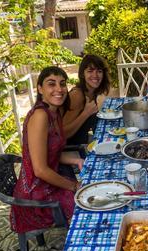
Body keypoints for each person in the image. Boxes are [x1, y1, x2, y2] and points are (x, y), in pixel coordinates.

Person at [12, 66, 84, 234]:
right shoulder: (40, 116)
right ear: (40, 88)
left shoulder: (54, 113)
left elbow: (51, 153)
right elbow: (40, 169)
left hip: (49, 184)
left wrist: (76, 160)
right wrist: (73, 185)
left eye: (62, 83)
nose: (59, 89)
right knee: (86, 203)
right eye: (51, 84)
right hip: (35, 196)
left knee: (92, 187)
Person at [63, 54, 111, 145]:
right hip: (73, 150)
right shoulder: (77, 96)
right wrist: (86, 113)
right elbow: (63, 134)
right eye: (90, 71)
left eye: (99, 71)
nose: (95, 75)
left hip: (87, 142)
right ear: (82, 74)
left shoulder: (92, 92)